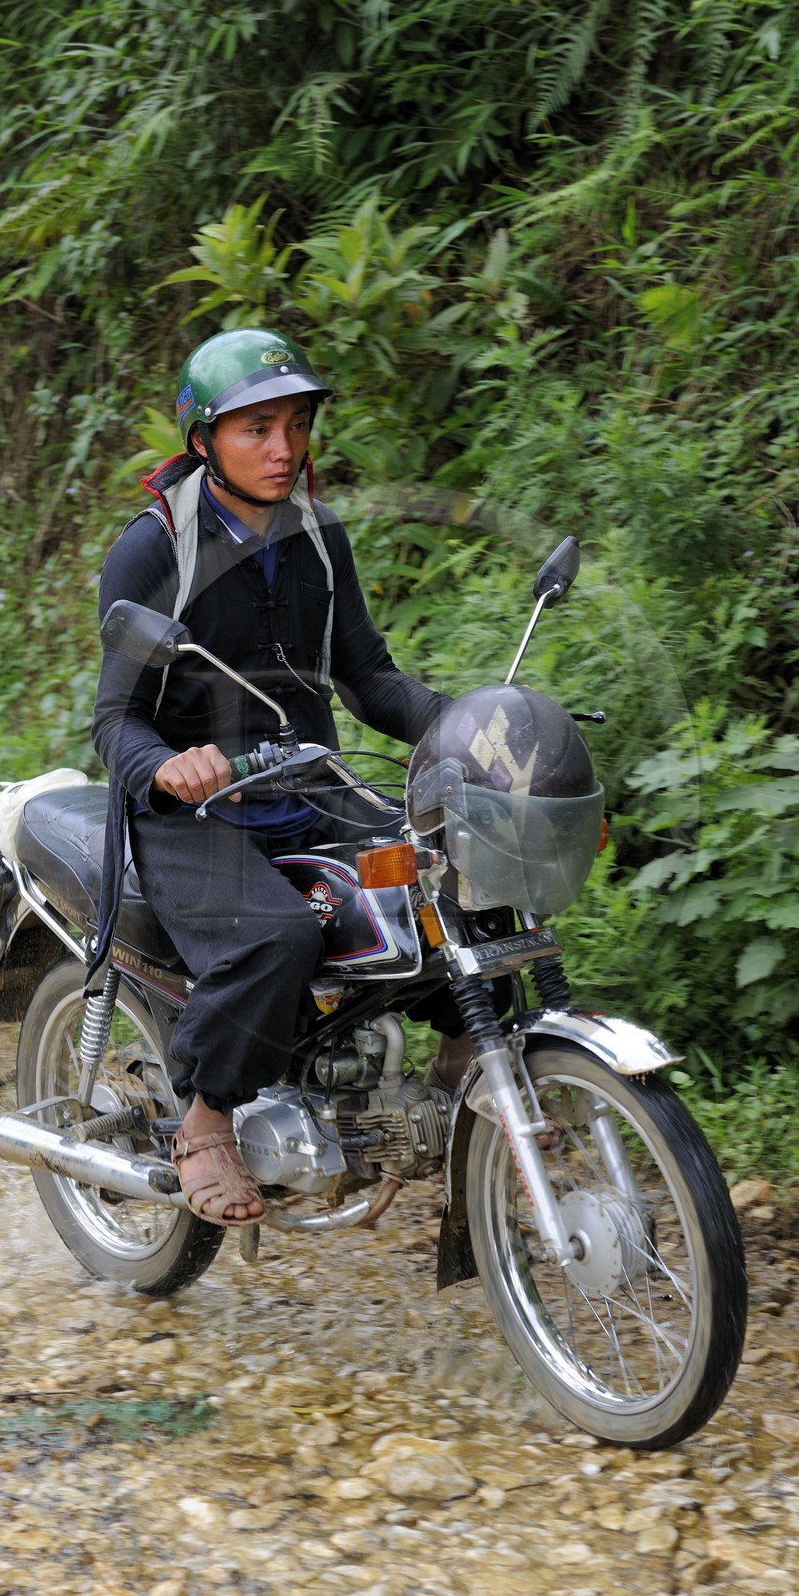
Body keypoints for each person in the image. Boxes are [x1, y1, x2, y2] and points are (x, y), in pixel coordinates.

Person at [91, 327, 469, 1228]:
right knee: (276, 938)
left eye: (295, 424)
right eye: (256, 427)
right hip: (194, 808)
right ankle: (207, 1119)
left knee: (456, 877)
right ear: (204, 440)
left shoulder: (317, 536)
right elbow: (114, 721)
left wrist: (473, 724)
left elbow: (369, 678)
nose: (283, 448)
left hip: (310, 779)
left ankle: (465, 1073)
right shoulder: (153, 550)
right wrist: (171, 764)